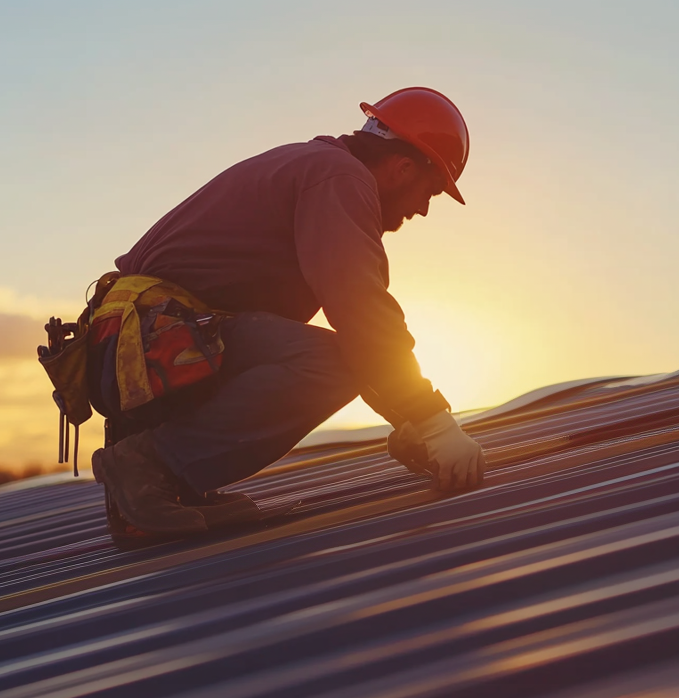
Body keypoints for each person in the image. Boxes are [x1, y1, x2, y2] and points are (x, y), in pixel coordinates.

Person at [90, 87, 486, 542]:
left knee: (323, 354)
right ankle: (149, 467)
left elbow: (359, 334)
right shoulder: (339, 178)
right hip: (154, 345)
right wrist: (432, 420)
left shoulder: (316, 168)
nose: (422, 208)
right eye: (430, 191)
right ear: (403, 167)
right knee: (329, 364)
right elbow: (362, 316)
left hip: (145, 350)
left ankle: (157, 488)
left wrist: (410, 421)